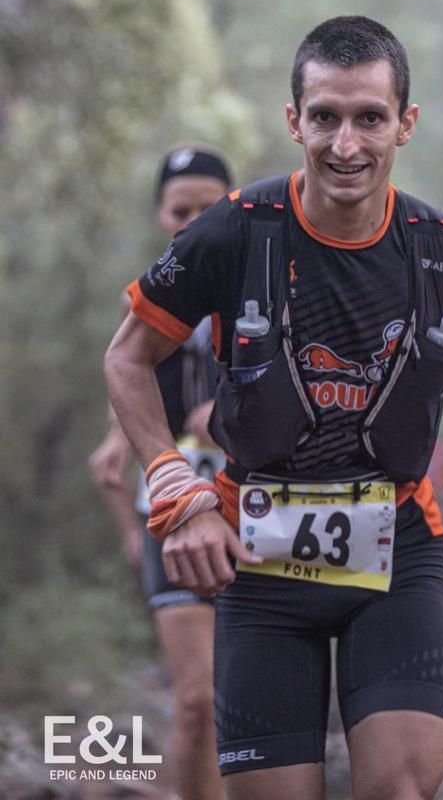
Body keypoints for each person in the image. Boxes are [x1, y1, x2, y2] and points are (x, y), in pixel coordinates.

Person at [104, 16, 443, 800]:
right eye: (323, 117)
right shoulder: (233, 232)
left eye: (369, 118)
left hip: (397, 550)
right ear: (294, 121)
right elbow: (127, 355)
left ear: (405, 123)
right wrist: (173, 489)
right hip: (256, 555)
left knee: (396, 790)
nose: (345, 145)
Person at [90, 146, 232, 800]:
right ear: (160, 215)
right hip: (173, 519)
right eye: (182, 210)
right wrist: (128, 523)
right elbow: (114, 448)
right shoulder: (147, 307)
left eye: (209, 207)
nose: (195, 220)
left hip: (263, 517)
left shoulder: (273, 297)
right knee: (197, 702)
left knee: (253, 704)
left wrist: (234, 416)